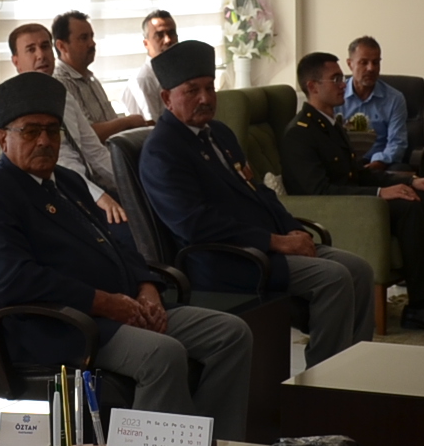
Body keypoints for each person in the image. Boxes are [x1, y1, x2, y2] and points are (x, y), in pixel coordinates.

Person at [0, 72, 252, 431]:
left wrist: (147, 289)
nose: (44, 141)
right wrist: (104, 303)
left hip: (121, 308)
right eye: (30, 131)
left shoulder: (67, 181)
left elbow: (117, 244)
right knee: (162, 354)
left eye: (53, 131)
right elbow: (13, 280)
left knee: (231, 334)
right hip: (61, 326)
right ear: (2, 139)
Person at [138, 39, 376, 364]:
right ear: (167, 98)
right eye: (192, 91)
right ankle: (324, 381)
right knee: (333, 278)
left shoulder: (219, 133)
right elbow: (195, 225)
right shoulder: (162, 150)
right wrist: (275, 242)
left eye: (209, 88)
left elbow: (259, 192)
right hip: (228, 259)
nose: (205, 98)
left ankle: (353, 368)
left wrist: (292, 231)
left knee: (359, 269)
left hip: (269, 244)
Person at [282, 50, 424, 333]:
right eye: (335, 79)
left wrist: (410, 181)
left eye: (342, 78)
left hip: (358, 202)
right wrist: (380, 194)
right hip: (340, 212)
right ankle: (421, 307)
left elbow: (358, 172)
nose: (343, 85)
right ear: (313, 86)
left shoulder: (330, 123)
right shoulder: (300, 132)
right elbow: (319, 192)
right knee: (407, 206)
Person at [8, 21, 125, 205]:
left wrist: (131, 183)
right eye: (31, 49)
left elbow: (95, 151)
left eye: (45, 46)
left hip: (87, 188)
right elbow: (59, 165)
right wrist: (98, 197)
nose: (41, 55)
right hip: (54, 197)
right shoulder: (13, 105)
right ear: (16, 62)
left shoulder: (63, 95)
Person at [51, 9, 149, 143]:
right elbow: (86, 135)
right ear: (62, 46)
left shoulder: (90, 78)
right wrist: (127, 121)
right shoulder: (61, 83)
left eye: (91, 36)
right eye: (84, 38)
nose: (92, 43)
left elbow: (109, 121)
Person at [338, 36, 413, 169]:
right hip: (343, 164)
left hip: (380, 164)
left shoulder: (394, 98)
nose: (371, 68)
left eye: (376, 62)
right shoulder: (336, 94)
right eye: (364, 62)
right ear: (350, 64)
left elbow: (397, 142)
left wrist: (378, 163)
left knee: (401, 170)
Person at [117, 9, 179, 122]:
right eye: (159, 35)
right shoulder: (143, 81)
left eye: (172, 33)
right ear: (146, 44)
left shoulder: (179, 73)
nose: (168, 40)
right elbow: (150, 128)